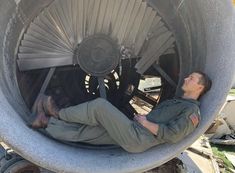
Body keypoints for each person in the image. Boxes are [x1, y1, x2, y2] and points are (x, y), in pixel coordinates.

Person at [31, 71, 212, 153]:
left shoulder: (191, 112)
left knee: (99, 106)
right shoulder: (179, 102)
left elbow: (174, 134)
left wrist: (145, 123)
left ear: (200, 86)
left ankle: (57, 113)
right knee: (91, 132)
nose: (187, 78)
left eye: (192, 78)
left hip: (139, 137)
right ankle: (46, 123)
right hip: (135, 131)